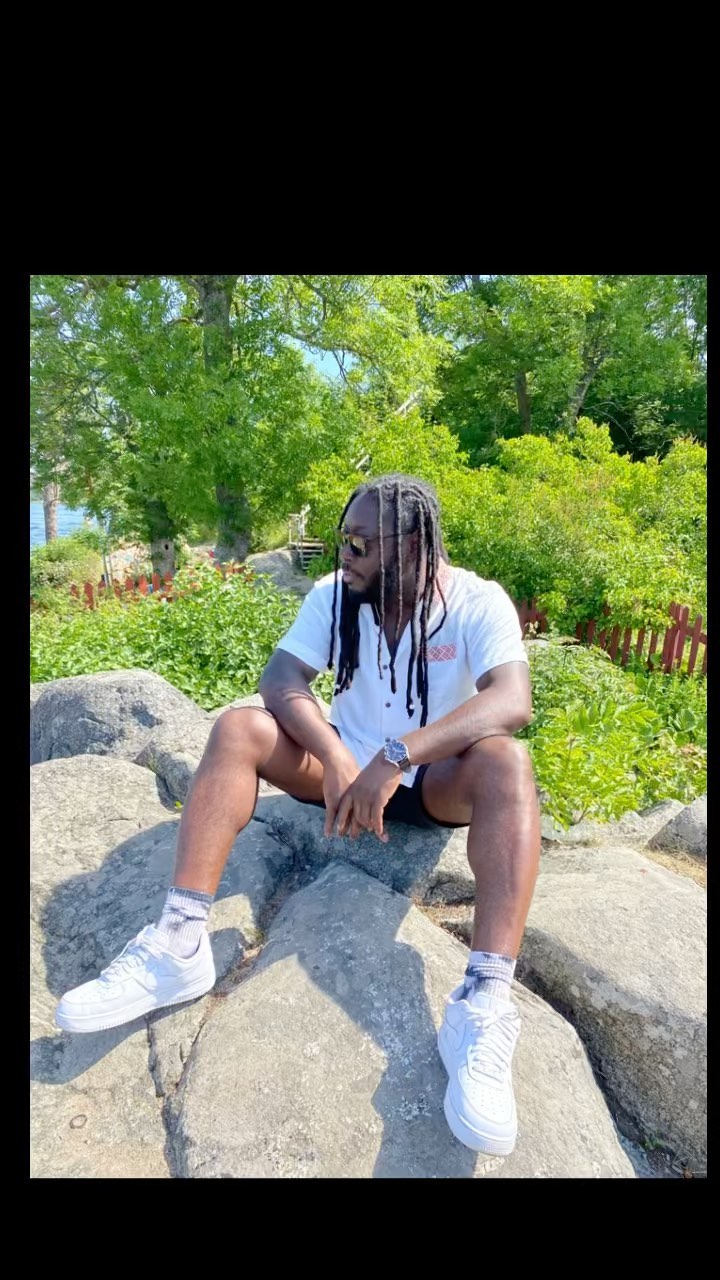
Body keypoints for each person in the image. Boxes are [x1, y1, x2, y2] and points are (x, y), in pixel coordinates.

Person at [56, 474, 540, 1157]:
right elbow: (280, 680)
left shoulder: (476, 601)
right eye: (344, 539)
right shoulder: (335, 595)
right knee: (239, 728)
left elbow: (510, 701)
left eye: (361, 543)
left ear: (412, 547)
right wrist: (336, 754)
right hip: (338, 779)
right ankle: (179, 941)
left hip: (433, 780)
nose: (345, 554)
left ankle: (483, 1002)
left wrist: (398, 756)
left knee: (507, 763)